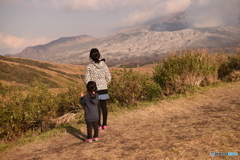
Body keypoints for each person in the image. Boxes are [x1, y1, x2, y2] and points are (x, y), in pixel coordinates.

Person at [84, 48, 111, 130]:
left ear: (90, 56)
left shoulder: (89, 67)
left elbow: (86, 79)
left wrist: (91, 88)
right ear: (99, 55)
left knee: (97, 108)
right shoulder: (104, 65)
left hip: (95, 90)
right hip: (104, 89)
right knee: (104, 107)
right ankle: (105, 124)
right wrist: (104, 84)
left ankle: (98, 125)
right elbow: (109, 77)